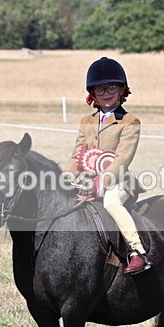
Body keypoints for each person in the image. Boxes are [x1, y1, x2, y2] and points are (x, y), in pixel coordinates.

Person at [66, 57, 152, 275]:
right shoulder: (86, 122)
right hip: (87, 181)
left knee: (112, 202)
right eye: (100, 89)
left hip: (118, 181)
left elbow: (123, 158)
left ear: (122, 89)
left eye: (111, 87)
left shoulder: (129, 122)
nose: (106, 93)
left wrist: (101, 184)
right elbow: (78, 155)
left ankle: (137, 251)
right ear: (92, 93)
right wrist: (65, 179)